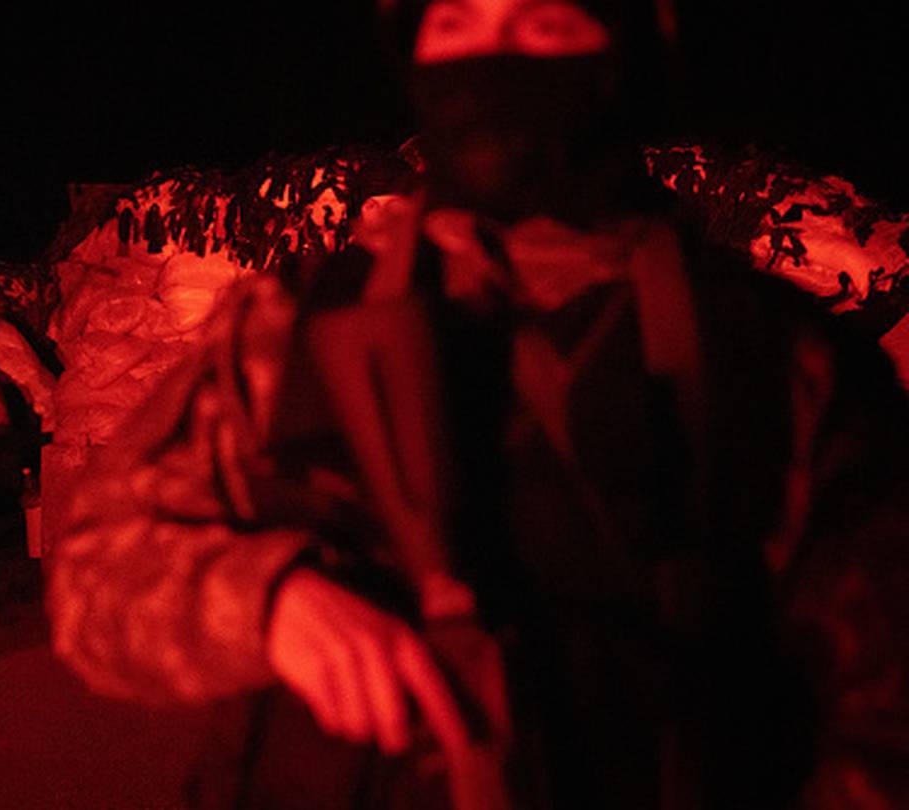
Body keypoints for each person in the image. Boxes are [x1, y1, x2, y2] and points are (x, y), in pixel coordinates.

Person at [47, 1, 909, 807]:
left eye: (541, 23)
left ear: (623, 56)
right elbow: (96, 575)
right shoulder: (293, 328)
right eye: (456, 21)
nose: (495, 62)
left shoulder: (771, 351)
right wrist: (269, 601)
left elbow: (884, 701)